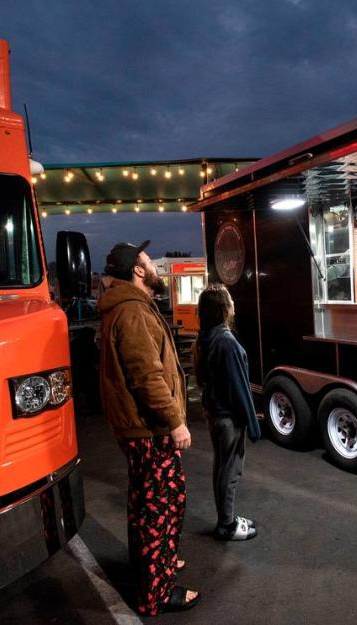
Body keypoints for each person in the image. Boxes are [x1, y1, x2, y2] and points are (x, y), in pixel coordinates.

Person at [97, 240, 200, 615]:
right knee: (159, 507)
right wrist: (175, 422)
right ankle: (156, 593)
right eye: (147, 260)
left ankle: (158, 565)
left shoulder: (131, 307)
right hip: (149, 429)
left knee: (153, 504)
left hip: (143, 429)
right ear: (138, 271)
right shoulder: (131, 312)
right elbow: (146, 376)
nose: (154, 265)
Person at [192, 283, 261, 541]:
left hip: (214, 413)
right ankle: (227, 525)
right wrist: (253, 426)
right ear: (224, 308)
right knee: (231, 471)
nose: (233, 303)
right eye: (230, 300)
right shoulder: (226, 341)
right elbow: (239, 388)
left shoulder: (206, 337)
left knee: (221, 468)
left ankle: (227, 518)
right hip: (228, 418)